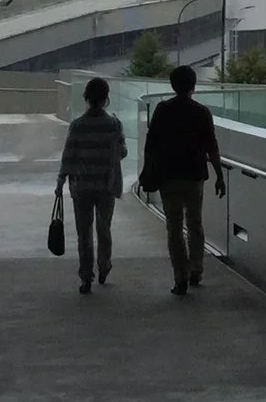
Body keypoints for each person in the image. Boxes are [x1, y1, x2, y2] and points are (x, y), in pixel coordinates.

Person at [138, 65, 224, 295]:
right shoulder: (202, 112)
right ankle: (196, 269)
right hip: (195, 175)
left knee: (174, 228)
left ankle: (181, 277)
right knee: (195, 223)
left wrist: (147, 170)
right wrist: (219, 175)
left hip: (169, 176)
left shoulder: (163, 110)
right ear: (193, 86)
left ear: (173, 85)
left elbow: (151, 144)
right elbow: (212, 146)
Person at [56, 76, 128, 294]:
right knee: (104, 229)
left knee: (84, 233)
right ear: (106, 98)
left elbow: (68, 156)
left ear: (86, 98)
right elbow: (122, 152)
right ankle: (104, 267)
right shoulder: (114, 124)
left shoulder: (78, 126)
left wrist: (60, 181)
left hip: (82, 186)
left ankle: (86, 276)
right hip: (106, 185)